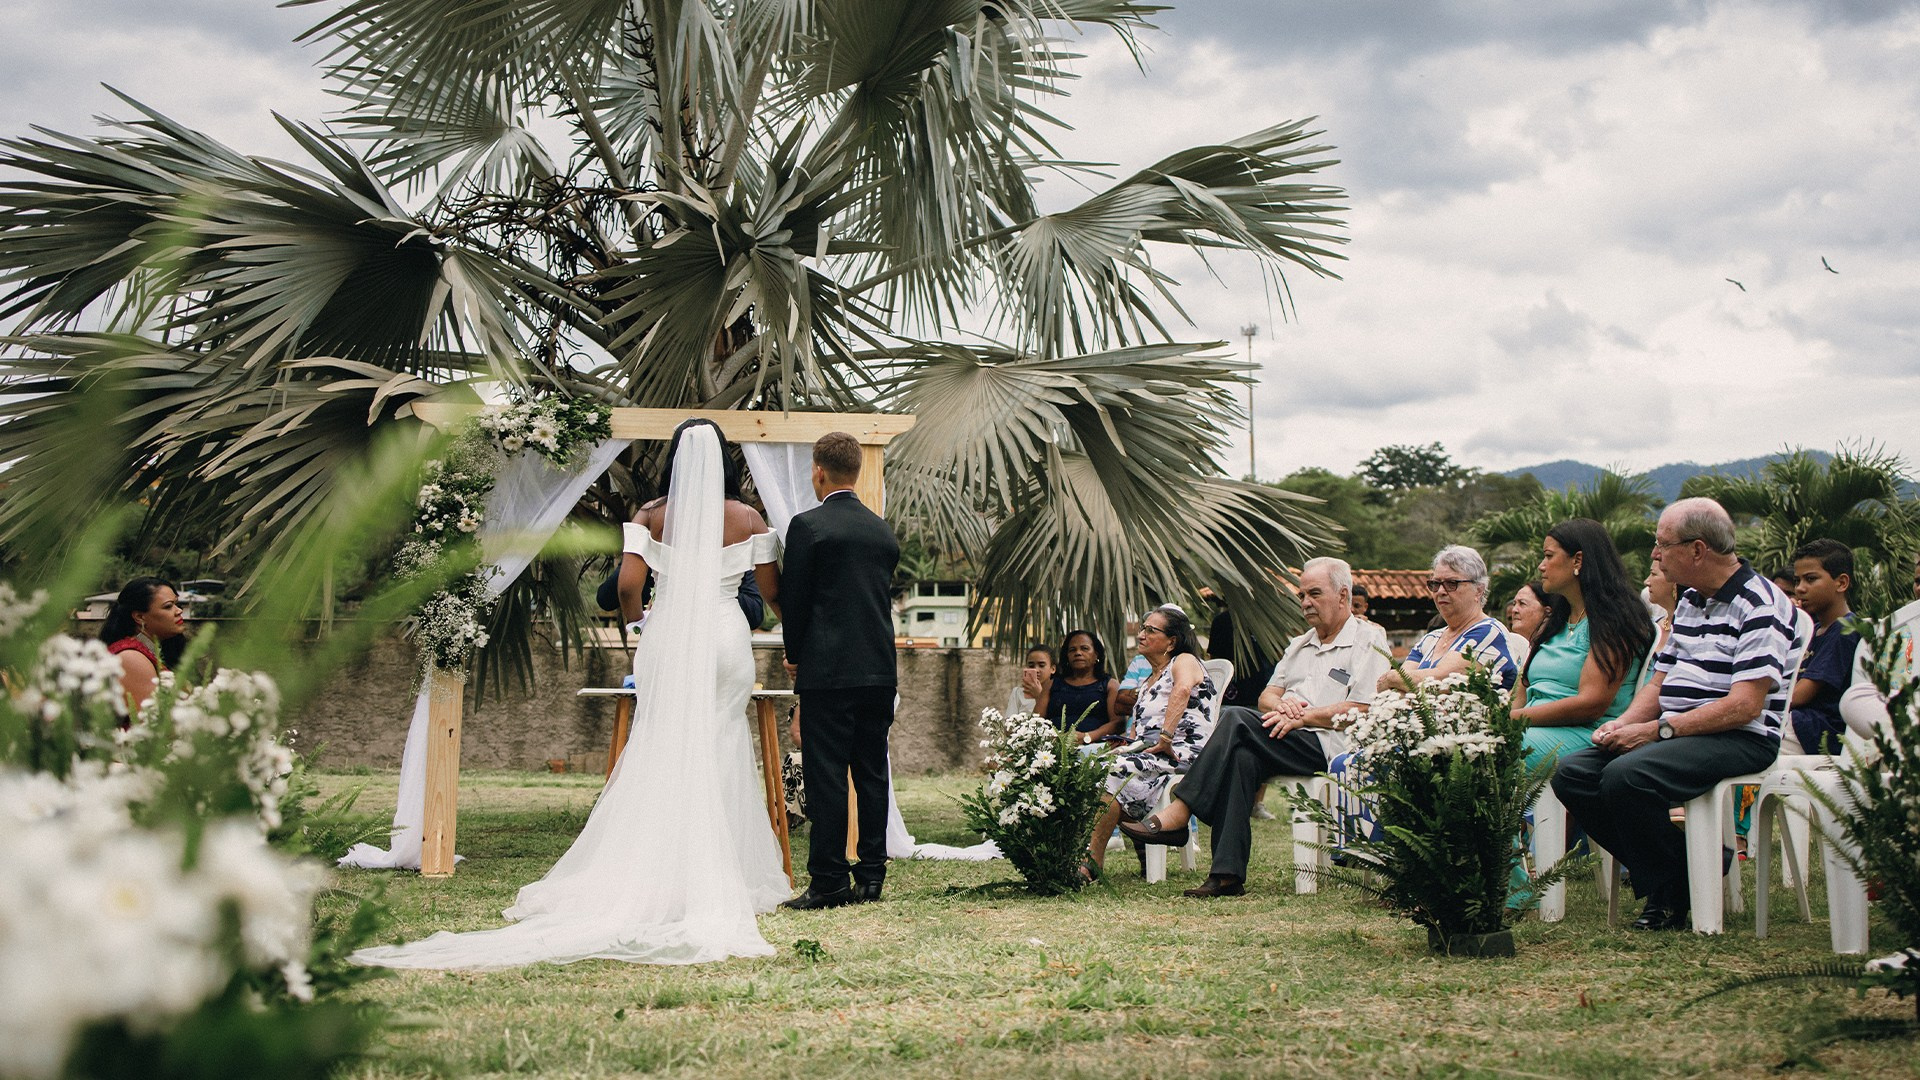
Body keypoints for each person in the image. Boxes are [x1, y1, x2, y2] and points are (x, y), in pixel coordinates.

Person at [354, 418, 790, 968]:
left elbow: (627, 586)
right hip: (725, 639)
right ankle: (729, 871)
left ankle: (653, 867)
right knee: (722, 737)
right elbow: (770, 591)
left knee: (661, 739)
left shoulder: (651, 514)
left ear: (676, 460)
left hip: (670, 634)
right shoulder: (748, 518)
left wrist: (640, 624)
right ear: (724, 460)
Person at [1550, 497, 1797, 931]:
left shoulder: (1761, 604)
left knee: (1627, 776)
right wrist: (1624, 723)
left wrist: (1657, 731)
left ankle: (1668, 895)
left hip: (1739, 735)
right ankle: (1688, 871)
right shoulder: (1691, 601)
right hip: (1679, 732)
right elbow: (1659, 682)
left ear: (1697, 550)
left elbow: (1745, 705)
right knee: (1573, 773)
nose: (1655, 554)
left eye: (1663, 544)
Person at [1120, 558, 1389, 896]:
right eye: (1302, 595)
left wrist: (1304, 716)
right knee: (1241, 758)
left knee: (1234, 717)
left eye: (1315, 594)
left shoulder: (1368, 640)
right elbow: (1267, 697)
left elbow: (1363, 709)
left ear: (1343, 595)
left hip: (1331, 745)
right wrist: (1283, 707)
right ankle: (1226, 875)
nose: (1306, 602)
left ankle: (1181, 810)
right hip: (1284, 736)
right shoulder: (1300, 644)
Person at [778, 432, 902, 910]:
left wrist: (795, 655)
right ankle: (871, 877)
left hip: (828, 670)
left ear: (819, 471)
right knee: (871, 772)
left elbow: (796, 600)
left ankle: (829, 880)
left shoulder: (808, 526)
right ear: (858, 471)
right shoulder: (882, 531)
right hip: (879, 669)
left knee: (826, 774)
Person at [1081, 605, 1216, 880]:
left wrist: (1166, 737)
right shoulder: (1149, 681)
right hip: (1152, 753)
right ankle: (1117, 852)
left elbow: (1182, 690)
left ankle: (1091, 864)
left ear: (1171, 642)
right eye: (1142, 628)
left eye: (1150, 630)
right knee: (1094, 766)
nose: (1141, 634)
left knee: (1108, 770)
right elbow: (1138, 730)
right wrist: (1125, 745)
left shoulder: (1184, 661)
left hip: (1181, 753)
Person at [1511, 520, 1655, 769]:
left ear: (1577, 560)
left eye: (1549, 556)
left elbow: (1591, 704)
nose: (1541, 566)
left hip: (1587, 734)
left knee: (1489, 750)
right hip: (1531, 727)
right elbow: (1522, 690)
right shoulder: (1557, 620)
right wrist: (1498, 717)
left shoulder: (1615, 620)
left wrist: (1512, 720)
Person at [1378, 546, 1520, 692]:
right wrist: (1399, 681)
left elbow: (1441, 681)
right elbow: (1398, 689)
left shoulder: (1489, 632)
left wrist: (1391, 677)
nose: (1440, 591)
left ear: (1479, 590)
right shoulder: (1431, 639)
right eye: (1435, 584)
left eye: (1452, 584)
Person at [1786, 538, 1861, 755]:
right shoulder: (1814, 629)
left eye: (1810, 579)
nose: (1800, 589)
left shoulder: (1846, 629)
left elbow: (1801, 695)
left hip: (1816, 730)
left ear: (1841, 583)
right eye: (1797, 580)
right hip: (1798, 722)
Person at [99, 576, 187, 714]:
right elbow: (150, 722)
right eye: (168, 606)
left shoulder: (157, 650)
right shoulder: (130, 657)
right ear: (140, 617)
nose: (179, 611)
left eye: (177, 604)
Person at [1034, 630, 1122, 743]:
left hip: (1097, 749)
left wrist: (1087, 737)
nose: (1078, 653)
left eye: (1084, 648)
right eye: (1072, 650)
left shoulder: (1110, 685)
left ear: (1096, 655)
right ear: (1067, 656)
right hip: (1054, 748)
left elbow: (1118, 723)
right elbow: (1035, 722)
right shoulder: (1052, 685)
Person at [1505, 580, 1557, 650]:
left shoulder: (1555, 650)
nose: (1514, 610)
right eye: (1514, 604)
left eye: (1522, 603)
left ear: (1547, 612)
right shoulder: (1508, 647)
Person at [1008, 643, 1054, 716]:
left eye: (1041, 665)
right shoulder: (1018, 693)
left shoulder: (1058, 692)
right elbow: (1009, 720)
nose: (1036, 670)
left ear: (1053, 669)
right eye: (1031, 666)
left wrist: (1040, 696)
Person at [1644, 560, 1679, 655]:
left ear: (1674, 581)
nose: (1646, 582)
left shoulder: (1693, 631)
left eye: (1653, 574)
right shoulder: (1650, 627)